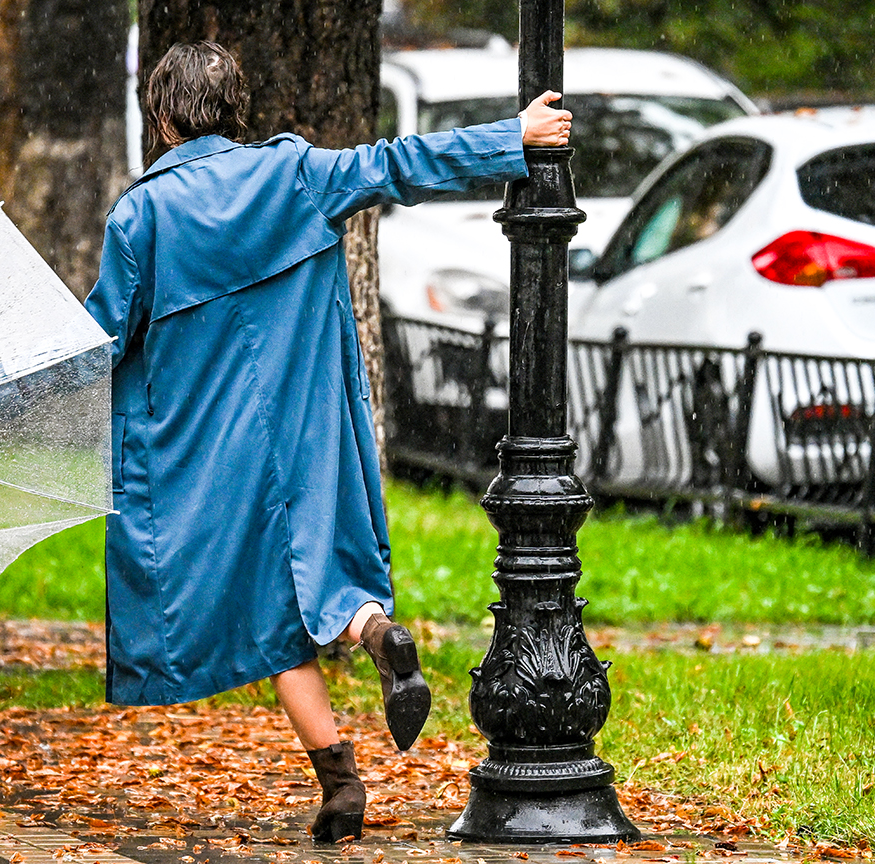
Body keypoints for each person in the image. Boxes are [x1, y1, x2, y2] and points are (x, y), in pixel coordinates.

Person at [82, 41, 572, 843]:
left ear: (162, 119)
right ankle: (375, 636)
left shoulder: (142, 215)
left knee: (265, 609)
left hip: (209, 448)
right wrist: (509, 137)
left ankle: (342, 783)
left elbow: (98, 342)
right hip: (309, 422)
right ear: (236, 111)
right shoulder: (295, 176)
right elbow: (398, 164)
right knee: (318, 581)